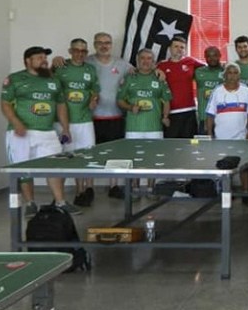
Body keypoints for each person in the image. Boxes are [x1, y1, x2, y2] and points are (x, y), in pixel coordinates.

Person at [1, 46, 80, 217]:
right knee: (23, 169)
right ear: (28, 61)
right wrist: (16, 123)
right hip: (20, 133)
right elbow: (5, 103)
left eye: (45, 57)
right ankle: (30, 203)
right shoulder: (15, 79)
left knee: (55, 166)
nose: (44, 61)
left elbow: (61, 105)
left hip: (47, 132)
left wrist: (65, 128)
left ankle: (60, 202)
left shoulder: (53, 80)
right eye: (39, 58)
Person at [116, 49, 172, 195]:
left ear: (153, 61)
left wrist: (165, 116)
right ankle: (135, 188)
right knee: (133, 158)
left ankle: (150, 188)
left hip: (154, 127)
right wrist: (130, 107)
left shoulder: (159, 78)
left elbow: (166, 100)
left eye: (149, 58)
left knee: (153, 158)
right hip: (133, 127)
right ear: (137, 60)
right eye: (142, 58)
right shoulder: (129, 78)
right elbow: (120, 100)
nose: (145, 61)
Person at [86, 32, 134, 199]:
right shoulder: (87, 63)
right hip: (91, 118)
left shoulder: (122, 65)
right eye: (100, 42)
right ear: (94, 44)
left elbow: (141, 74)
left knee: (115, 154)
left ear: (111, 45)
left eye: (107, 42)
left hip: (115, 116)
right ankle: (89, 188)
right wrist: (57, 61)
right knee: (90, 154)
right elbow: (69, 69)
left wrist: (159, 73)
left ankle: (114, 186)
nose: (104, 46)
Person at [54, 38, 100, 207]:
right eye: (76, 50)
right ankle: (63, 195)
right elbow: (49, 86)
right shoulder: (60, 67)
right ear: (70, 51)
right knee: (65, 157)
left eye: (83, 51)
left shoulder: (90, 69)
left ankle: (87, 190)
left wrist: (94, 99)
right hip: (63, 121)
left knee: (87, 155)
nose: (80, 54)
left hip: (84, 120)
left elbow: (95, 90)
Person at [205, 62, 248, 204]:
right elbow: (210, 114)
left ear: (239, 75)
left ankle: (246, 194)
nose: (232, 76)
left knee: (244, 167)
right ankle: (227, 193)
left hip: (241, 137)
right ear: (224, 75)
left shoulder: (245, 90)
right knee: (224, 168)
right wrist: (209, 133)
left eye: (235, 73)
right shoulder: (217, 91)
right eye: (229, 73)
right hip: (221, 138)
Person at [156, 36, 204, 138]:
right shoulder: (162, 65)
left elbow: (209, 67)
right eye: (176, 46)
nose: (179, 49)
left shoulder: (190, 61)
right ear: (170, 48)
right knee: (171, 144)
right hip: (170, 112)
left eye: (182, 47)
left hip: (189, 111)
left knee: (190, 144)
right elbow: (146, 71)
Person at [194, 46, 224, 135]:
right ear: (205, 57)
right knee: (204, 143)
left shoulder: (226, 72)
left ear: (220, 56)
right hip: (204, 118)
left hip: (222, 118)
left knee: (223, 144)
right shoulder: (198, 71)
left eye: (214, 55)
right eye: (208, 56)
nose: (212, 58)